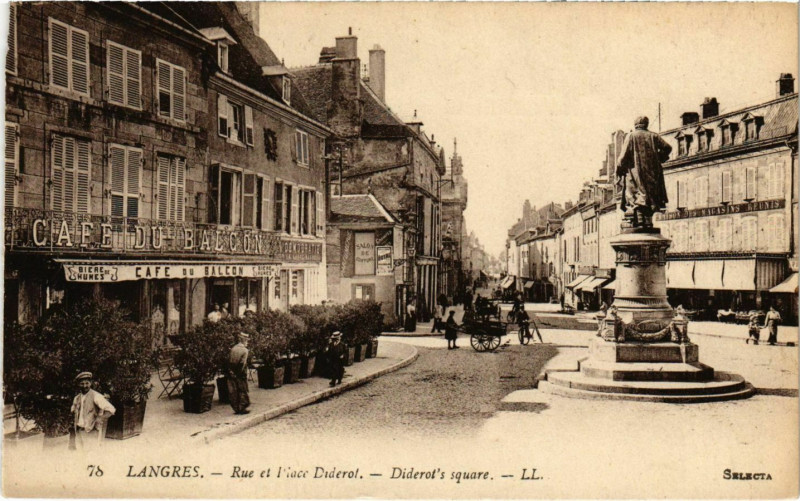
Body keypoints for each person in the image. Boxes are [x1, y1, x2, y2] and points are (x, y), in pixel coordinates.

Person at [615, 116, 672, 228]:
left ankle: (640, 220)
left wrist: (619, 169)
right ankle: (648, 221)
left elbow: (622, 158)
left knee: (636, 195)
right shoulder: (654, 136)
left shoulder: (631, 136)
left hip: (635, 173)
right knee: (649, 196)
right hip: (652, 173)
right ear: (646, 124)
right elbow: (668, 148)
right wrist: (659, 158)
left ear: (635, 125)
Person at [70, 372, 115, 449]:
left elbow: (111, 409)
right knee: (80, 455)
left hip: (91, 431)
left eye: (87, 383)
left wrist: (99, 418)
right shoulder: (76, 398)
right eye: (82, 383)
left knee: (91, 455)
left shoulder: (96, 396)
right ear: (78, 384)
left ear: (90, 383)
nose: (84, 386)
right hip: (79, 431)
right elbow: (73, 412)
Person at [227, 332, 251, 415]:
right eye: (247, 341)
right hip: (240, 373)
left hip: (231, 371)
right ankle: (242, 408)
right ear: (244, 341)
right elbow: (242, 364)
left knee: (234, 391)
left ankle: (236, 408)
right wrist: (238, 373)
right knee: (242, 390)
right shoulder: (245, 350)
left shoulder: (233, 348)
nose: (247, 343)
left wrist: (231, 372)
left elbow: (229, 361)